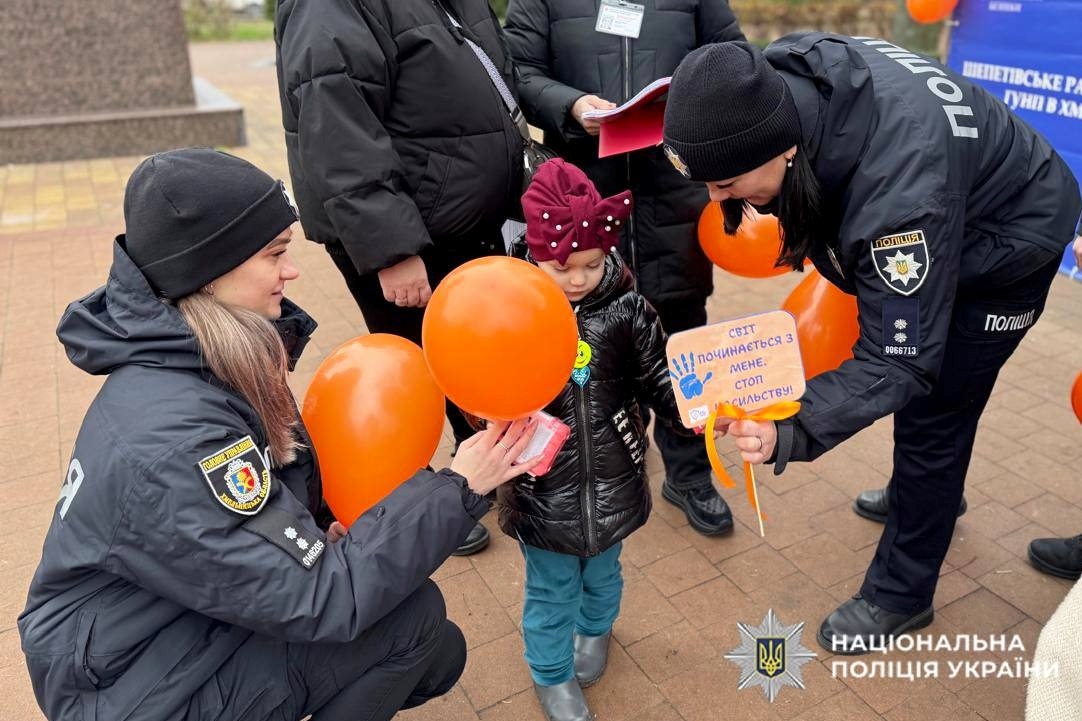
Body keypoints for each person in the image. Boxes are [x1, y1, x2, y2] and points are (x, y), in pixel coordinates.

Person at [17, 148, 540, 721]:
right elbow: (324, 599)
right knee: (413, 627)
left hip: (153, 634)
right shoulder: (178, 440)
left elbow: (260, 520)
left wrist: (314, 530)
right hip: (126, 690)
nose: (290, 272)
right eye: (275, 255)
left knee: (432, 643)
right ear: (209, 273)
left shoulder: (209, 358)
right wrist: (460, 485)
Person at [661, 37, 1081, 653]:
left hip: (1011, 246)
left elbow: (899, 361)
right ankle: (929, 497)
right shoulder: (784, 77)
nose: (716, 201)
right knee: (921, 412)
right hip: (956, 203)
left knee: (934, 415)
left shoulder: (899, 201)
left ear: (783, 146)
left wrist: (793, 426)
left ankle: (901, 595)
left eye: (725, 182)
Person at [274, 0, 527, 555]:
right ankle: (435, 503)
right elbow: (336, 124)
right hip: (411, 236)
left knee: (467, 359)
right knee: (423, 367)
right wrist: (393, 249)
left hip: (457, 219)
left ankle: (482, 472)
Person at [503, 0, 745, 536]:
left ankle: (689, 474)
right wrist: (571, 105)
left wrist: (687, 103)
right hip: (580, 199)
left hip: (675, 187)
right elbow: (517, 69)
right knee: (590, 345)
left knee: (680, 339)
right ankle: (590, 472)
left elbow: (732, 58)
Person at [498, 159, 694, 721]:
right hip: (544, 488)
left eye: (591, 263)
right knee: (550, 589)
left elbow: (658, 375)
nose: (578, 278)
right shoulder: (511, 311)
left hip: (615, 476)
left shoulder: (629, 311)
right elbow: (479, 383)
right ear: (535, 255)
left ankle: (596, 630)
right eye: (562, 267)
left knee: (605, 573)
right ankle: (551, 673)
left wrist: (691, 410)